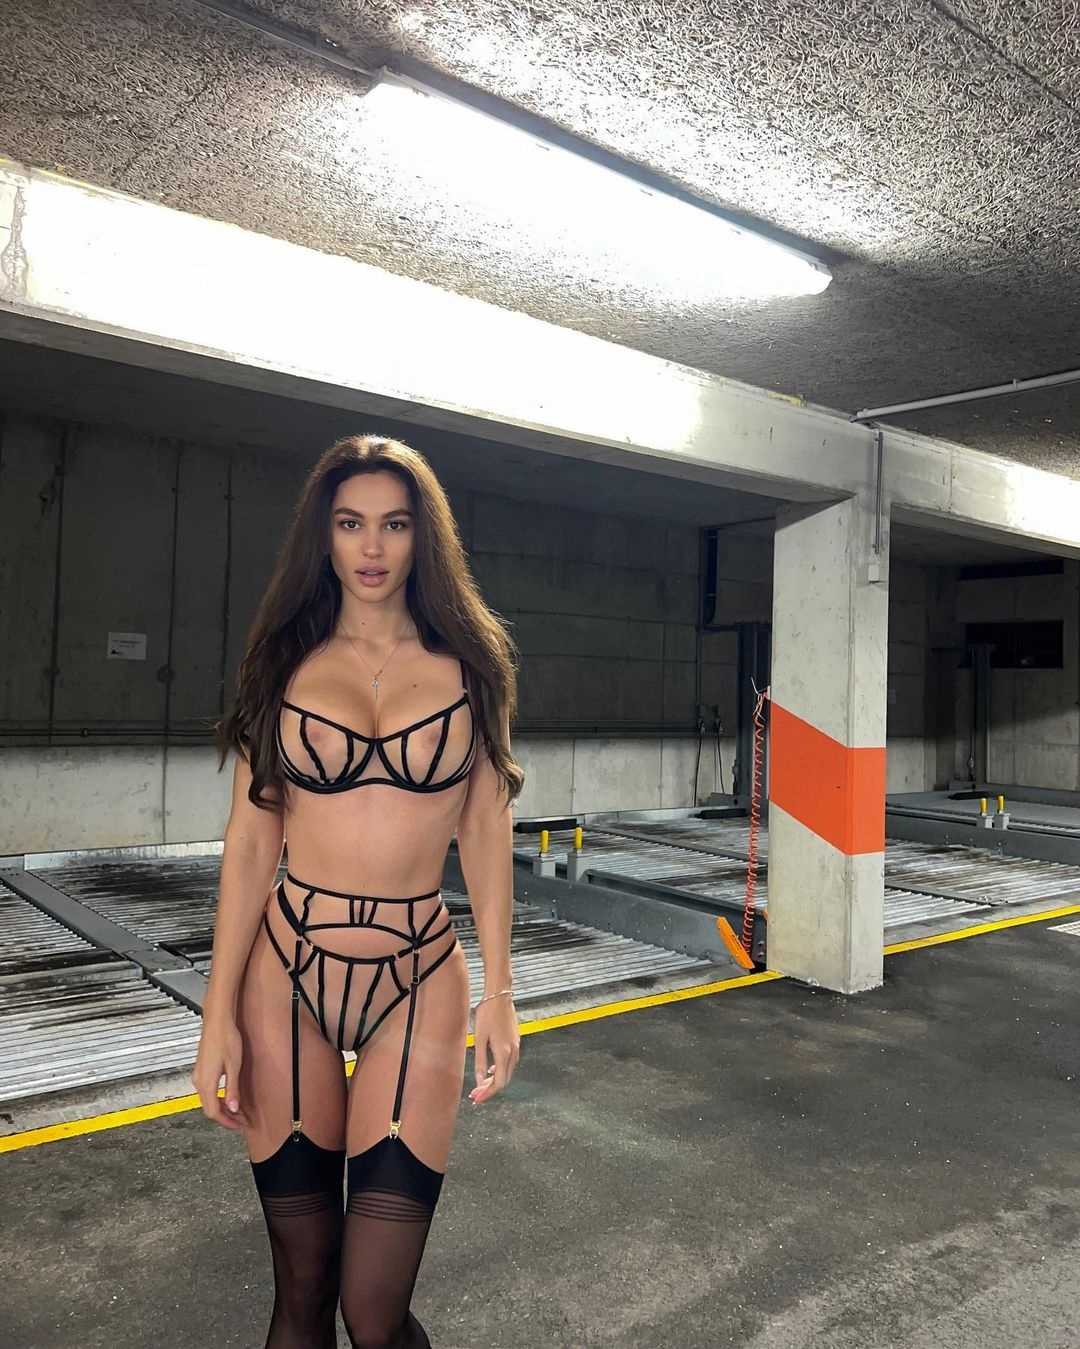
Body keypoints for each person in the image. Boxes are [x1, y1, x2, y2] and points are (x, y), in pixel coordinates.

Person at [192, 433, 524, 1348]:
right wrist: (216, 1014)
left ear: (424, 537)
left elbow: (485, 829)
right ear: (324, 535)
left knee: (372, 1309)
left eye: (394, 524)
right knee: (302, 1285)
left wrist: (501, 990)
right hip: (285, 973)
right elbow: (250, 841)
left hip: (418, 977)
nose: (372, 547)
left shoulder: (474, 664)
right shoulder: (281, 661)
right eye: (350, 524)